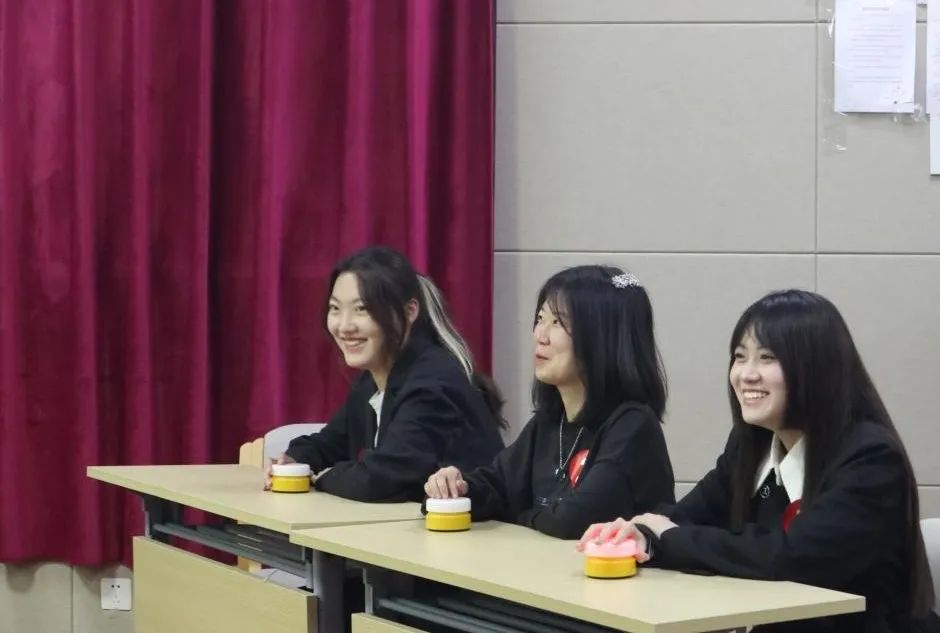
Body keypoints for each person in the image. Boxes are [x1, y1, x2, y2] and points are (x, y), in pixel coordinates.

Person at [579, 289, 939, 633]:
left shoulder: (871, 457)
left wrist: (669, 537)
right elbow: (687, 516)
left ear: (817, 369)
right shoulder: (750, 444)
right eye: (740, 357)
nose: (746, 374)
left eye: (767, 358)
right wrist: (640, 532)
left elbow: (793, 557)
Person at [425, 265, 675, 539]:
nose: (540, 335)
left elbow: (572, 522)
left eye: (558, 322)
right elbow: (496, 487)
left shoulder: (633, 426)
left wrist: (517, 516)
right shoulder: (548, 423)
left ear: (603, 336)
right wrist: (455, 488)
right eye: (540, 318)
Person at [265, 245, 505, 502]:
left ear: (410, 312)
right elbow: (330, 442)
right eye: (335, 309)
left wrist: (323, 476)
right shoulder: (375, 377)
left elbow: (383, 479)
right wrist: (295, 460)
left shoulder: (432, 382)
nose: (344, 326)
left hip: (474, 526)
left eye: (362, 309)